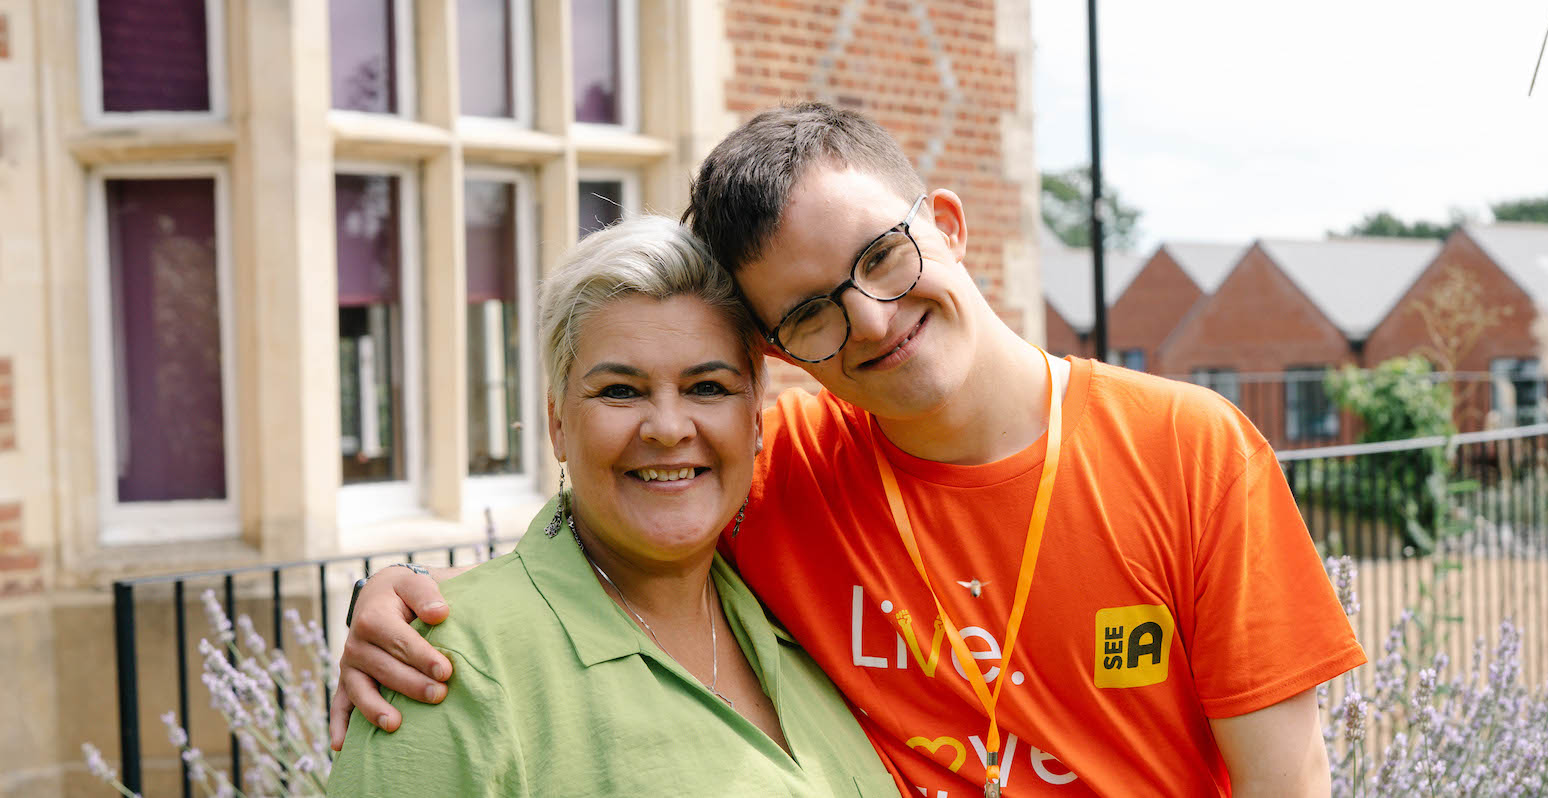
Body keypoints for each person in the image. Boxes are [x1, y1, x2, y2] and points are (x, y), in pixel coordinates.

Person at [333, 103, 1365, 797]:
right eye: (815, 311)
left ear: (947, 225)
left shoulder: (1191, 452)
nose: (871, 320)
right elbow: (628, 495)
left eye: (882, 256)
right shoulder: (774, 473)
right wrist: (418, 609)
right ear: (783, 351)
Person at [327, 215, 901, 797]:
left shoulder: (803, 612)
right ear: (557, 424)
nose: (669, 428)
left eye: (707, 387)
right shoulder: (447, 669)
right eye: (619, 391)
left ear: (756, 417)